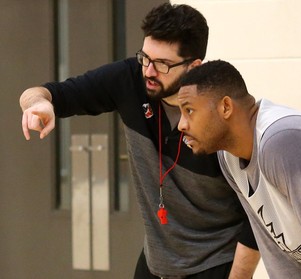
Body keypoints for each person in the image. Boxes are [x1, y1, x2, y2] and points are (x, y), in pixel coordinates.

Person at [19, 4, 260, 279]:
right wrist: (39, 104)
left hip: (213, 264)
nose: (148, 71)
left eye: (162, 64)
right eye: (145, 58)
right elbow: (44, 93)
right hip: (154, 263)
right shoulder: (130, 78)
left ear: (194, 66)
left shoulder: (222, 116)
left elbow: (256, 213)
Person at [177, 60, 301, 279]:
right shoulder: (229, 158)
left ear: (226, 107)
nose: (181, 125)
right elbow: (281, 257)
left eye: (189, 110)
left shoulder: (285, 143)